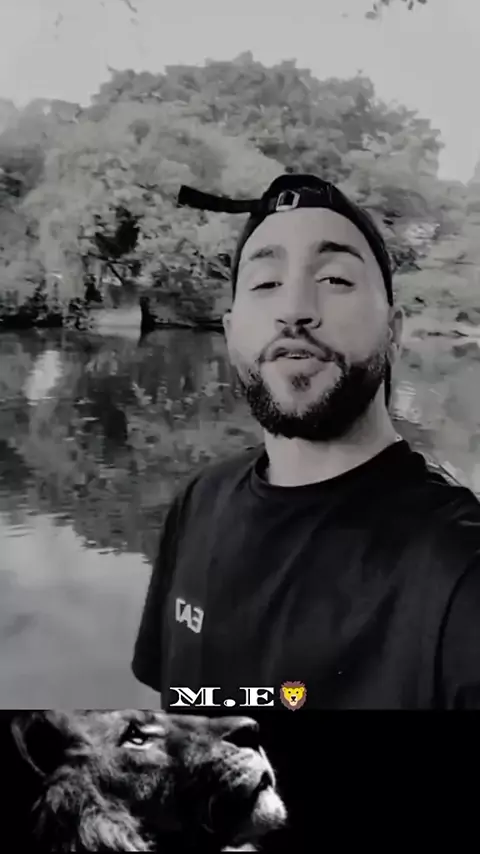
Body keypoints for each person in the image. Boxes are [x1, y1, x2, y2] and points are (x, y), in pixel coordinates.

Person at [132, 173, 480, 843]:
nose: (294, 308)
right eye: (265, 282)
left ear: (395, 330)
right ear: (232, 331)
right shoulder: (198, 502)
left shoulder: (459, 572)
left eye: (336, 279)